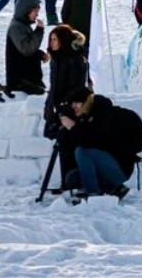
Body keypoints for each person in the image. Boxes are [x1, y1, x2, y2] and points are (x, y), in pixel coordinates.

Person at [59, 86, 142, 199]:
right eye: (72, 103)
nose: (73, 106)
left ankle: (93, 193)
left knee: (81, 151)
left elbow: (88, 141)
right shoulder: (91, 115)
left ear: (86, 102)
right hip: (108, 165)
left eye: (77, 102)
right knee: (72, 178)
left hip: (120, 168)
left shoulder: (103, 115)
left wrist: (73, 127)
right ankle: (114, 188)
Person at [44, 24, 89, 186]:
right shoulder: (56, 59)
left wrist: (65, 106)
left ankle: (73, 182)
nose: (52, 43)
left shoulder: (74, 59)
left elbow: (76, 88)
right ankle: (67, 182)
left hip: (70, 110)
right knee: (63, 146)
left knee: (71, 146)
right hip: (58, 108)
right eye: (51, 40)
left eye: (55, 39)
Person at [5, 0, 47, 95]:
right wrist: (39, 31)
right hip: (21, 83)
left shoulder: (23, 25)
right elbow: (27, 50)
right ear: (26, 10)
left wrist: (39, 54)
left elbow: (25, 48)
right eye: (35, 12)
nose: (37, 15)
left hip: (27, 80)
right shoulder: (16, 27)